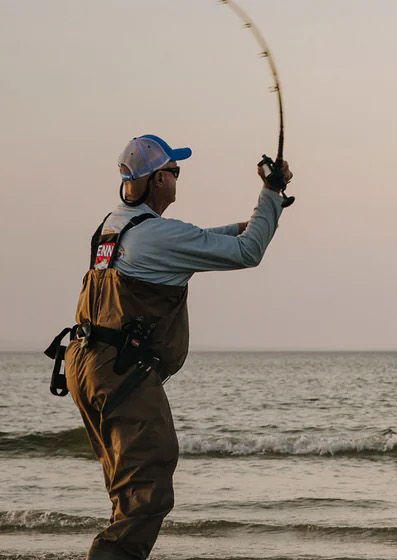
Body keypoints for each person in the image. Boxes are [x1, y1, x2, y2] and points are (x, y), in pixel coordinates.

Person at [51, 134, 290, 560]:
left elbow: (197, 239)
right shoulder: (158, 236)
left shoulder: (114, 225)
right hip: (123, 373)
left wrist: (263, 214)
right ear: (159, 179)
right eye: (175, 172)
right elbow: (246, 253)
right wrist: (270, 192)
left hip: (85, 365)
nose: (178, 179)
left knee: (126, 491)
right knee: (149, 493)